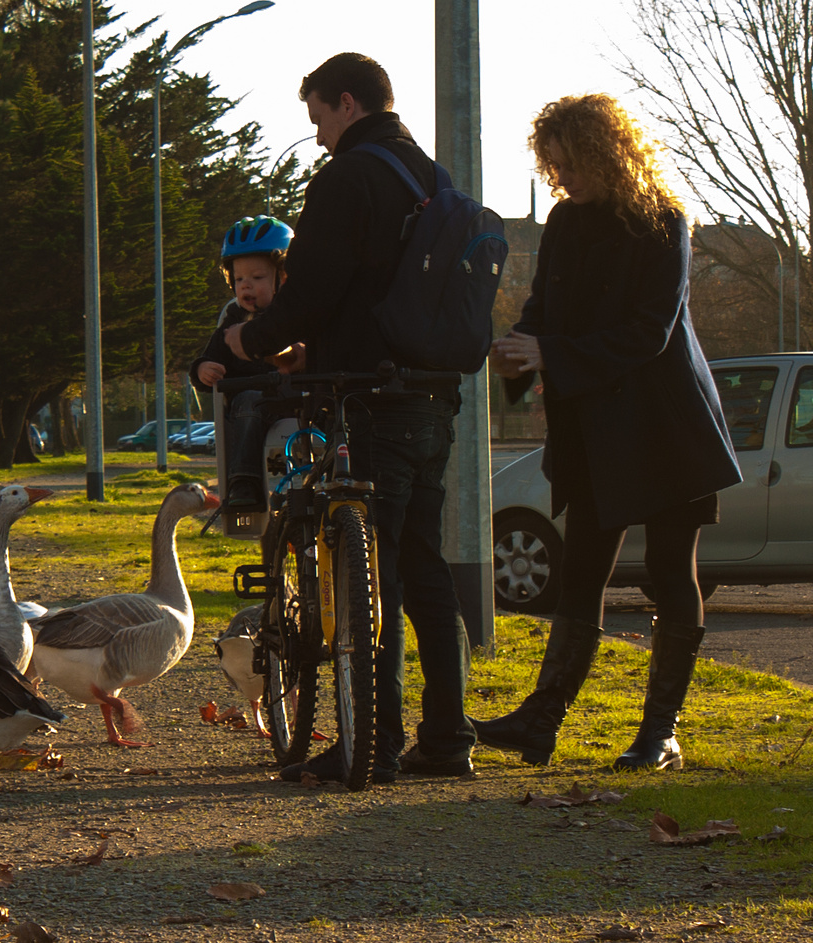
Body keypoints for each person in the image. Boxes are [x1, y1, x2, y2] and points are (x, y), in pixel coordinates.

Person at [223, 52, 474, 782]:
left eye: (318, 121)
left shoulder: (348, 177)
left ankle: (373, 743)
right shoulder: (430, 177)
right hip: (432, 391)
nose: (319, 138)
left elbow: (316, 286)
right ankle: (446, 736)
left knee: (373, 577)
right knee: (424, 568)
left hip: (369, 396)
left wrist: (253, 340)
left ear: (345, 103)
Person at [478, 93, 742, 771]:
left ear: (602, 153)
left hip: (665, 423)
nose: (557, 178)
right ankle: (541, 722)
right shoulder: (565, 222)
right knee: (580, 568)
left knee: (666, 572)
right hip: (596, 426)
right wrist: (516, 349)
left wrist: (551, 355)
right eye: (550, 165)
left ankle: (660, 733)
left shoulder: (662, 221)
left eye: (565, 164)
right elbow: (543, 309)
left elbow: (648, 332)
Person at [191, 214, 304, 511]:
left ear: (284, 278)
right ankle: (244, 481)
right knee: (247, 402)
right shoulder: (232, 322)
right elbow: (210, 358)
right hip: (253, 405)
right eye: (239, 279)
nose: (247, 287)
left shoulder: (299, 317)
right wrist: (203, 370)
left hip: (296, 401)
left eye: (257, 278)